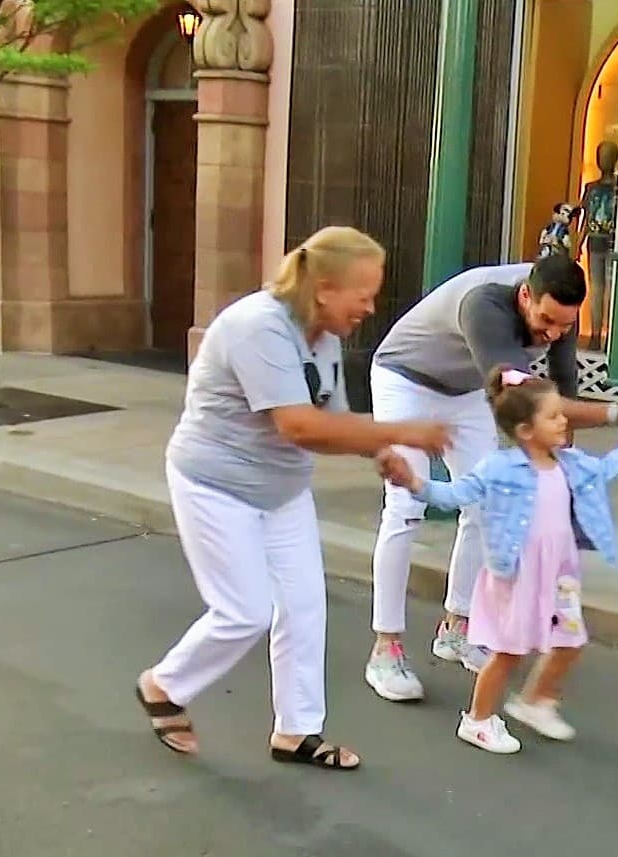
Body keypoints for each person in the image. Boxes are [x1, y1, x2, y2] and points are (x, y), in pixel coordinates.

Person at [134, 226, 450, 771]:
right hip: (217, 486)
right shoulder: (259, 328)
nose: (371, 308)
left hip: (281, 491)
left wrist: (380, 456)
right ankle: (163, 685)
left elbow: (334, 417)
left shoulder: (322, 338)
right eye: (365, 293)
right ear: (325, 288)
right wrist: (405, 432)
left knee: (305, 607)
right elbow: (299, 427)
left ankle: (297, 733)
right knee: (244, 610)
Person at [364, 254, 618, 702]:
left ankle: (458, 626)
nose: (554, 334)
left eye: (565, 326)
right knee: (406, 507)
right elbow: (522, 398)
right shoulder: (484, 304)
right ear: (525, 295)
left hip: (465, 391)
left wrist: (566, 464)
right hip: (405, 377)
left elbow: (559, 401)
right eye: (546, 321)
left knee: (487, 504)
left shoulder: (556, 315)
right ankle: (385, 647)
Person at [378, 365, 618, 753]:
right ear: (525, 431)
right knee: (509, 652)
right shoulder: (500, 468)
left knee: (571, 640)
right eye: (553, 416)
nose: (563, 422)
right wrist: (414, 483)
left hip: (559, 574)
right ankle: (478, 719)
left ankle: (536, 700)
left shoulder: (569, 463)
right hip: (518, 576)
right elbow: (454, 495)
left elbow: (607, 470)